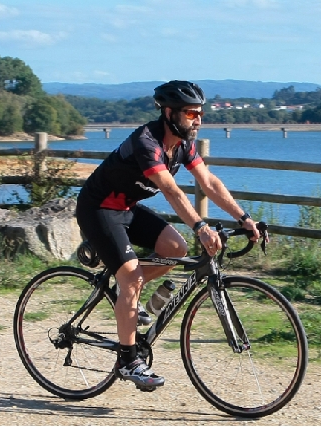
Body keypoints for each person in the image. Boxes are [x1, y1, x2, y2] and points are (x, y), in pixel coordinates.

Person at [75, 80, 260, 388]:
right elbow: (171, 191)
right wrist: (201, 228)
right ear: (169, 112)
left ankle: (127, 295)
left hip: (127, 208)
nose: (198, 120)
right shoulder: (147, 143)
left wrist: (244, 218)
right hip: (98, 209)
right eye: (191, 114)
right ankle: (128, 360)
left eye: (200, 113)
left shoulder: (184, 144)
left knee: (175, 248)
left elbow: (209, 183)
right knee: (132, 279)